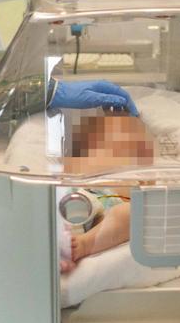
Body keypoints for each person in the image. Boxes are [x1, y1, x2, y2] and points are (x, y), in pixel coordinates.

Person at [60, 113, 154, 273]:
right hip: (66, 205)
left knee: (134, 212)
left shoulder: (126, 185)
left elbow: (149, 195)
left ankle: (83, 245)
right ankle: (56, 250)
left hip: (102, 213)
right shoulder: (71, 178)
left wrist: (144, 183)